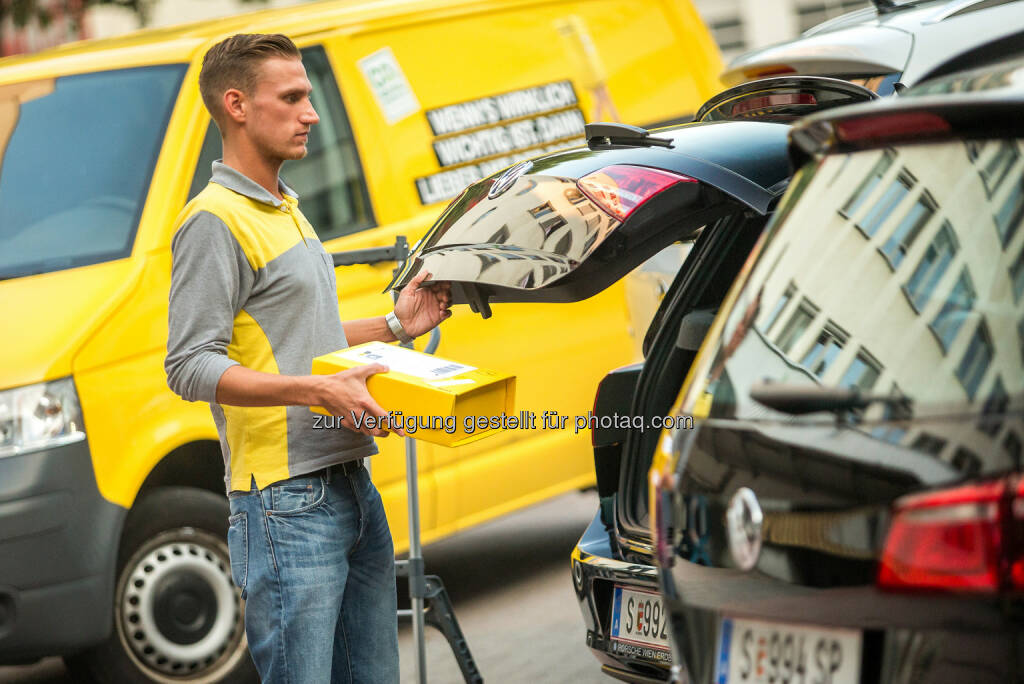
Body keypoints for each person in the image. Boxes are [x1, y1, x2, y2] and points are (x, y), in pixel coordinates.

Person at [164, 33, 450, 683]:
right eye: (291, 97)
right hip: (284, 504)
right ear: (236, 105)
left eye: (308, 97)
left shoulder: (285, 207)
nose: (310, 113)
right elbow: (189, 365)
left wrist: (393, 324)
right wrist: (316, 393)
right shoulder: (214, 220)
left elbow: (303, 336)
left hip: (351, 483)